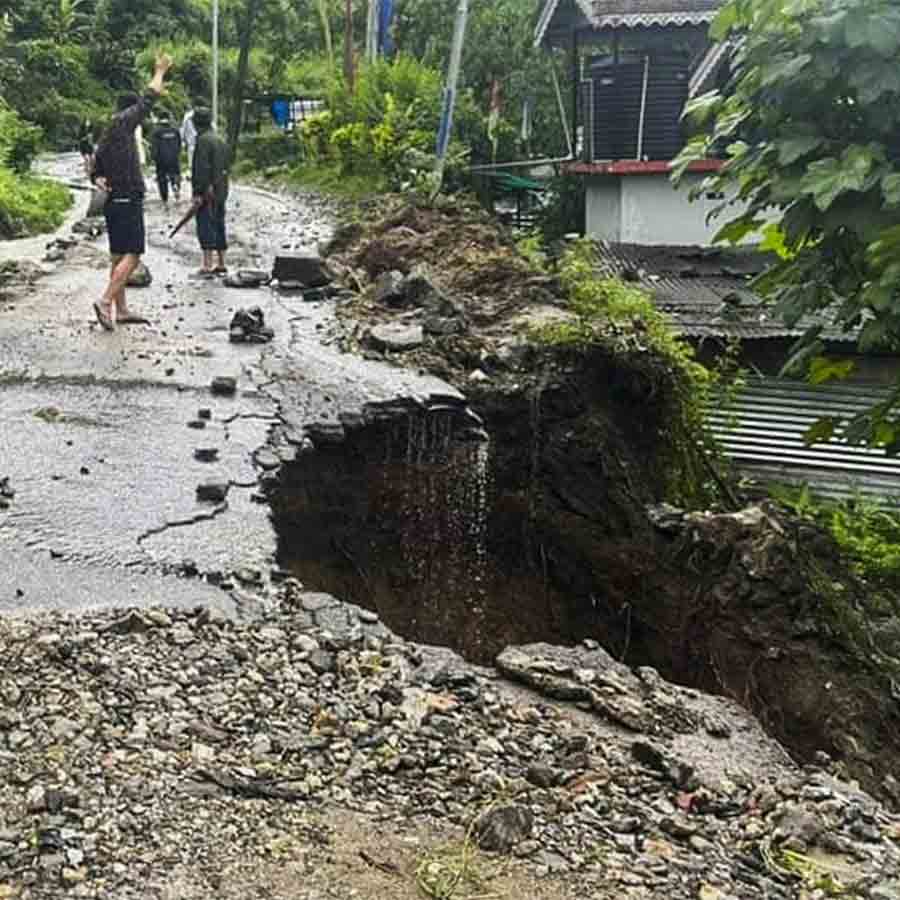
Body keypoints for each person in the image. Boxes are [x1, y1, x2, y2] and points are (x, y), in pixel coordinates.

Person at [90, 52, 172, 331]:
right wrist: (160, 71)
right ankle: (105, 301)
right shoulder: (124, 124)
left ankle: (121, 310)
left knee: (117, 255)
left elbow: (94, 169)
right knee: (134, 253)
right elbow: (149, 98)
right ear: (130, 112)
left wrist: (98, 177)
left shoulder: (106, 132)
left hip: (114, 200)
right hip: (127, 197)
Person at [191, 107, 230, 276]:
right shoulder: (219, 139)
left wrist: (199, 192)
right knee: (219, 223)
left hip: (208, 191)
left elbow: (201, 168)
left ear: (195, 123)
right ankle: (221, 262)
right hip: (221, 188)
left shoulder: (202, 141)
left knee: (205, 224)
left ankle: (207, 264)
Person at [151, 113, 182, 207]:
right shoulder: (175, 130)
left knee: (162, 179)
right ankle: (175, 185)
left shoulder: (156, 131)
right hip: (174, 158)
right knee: (175, 174)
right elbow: (179, 144)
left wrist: (154, 157)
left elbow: (154, 147)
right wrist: (177, 154)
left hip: (161, 159)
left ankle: (165, 198)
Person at [180, 108, 197, 172]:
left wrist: (182, 140)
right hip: (196, 141)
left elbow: (183, 129)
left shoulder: (187, 116)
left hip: (191, 142)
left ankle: (192, 172)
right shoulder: (187, 117)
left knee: (191, 161)